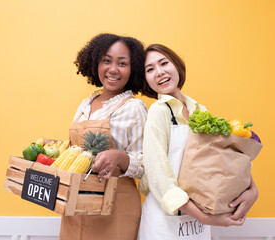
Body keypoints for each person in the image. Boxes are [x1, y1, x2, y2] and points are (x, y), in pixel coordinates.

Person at [137, 44, 258, 239]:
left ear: (176, 66)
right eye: (150, 69)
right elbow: (158, 177)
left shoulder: (199, 110)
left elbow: (223, 157)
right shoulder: (159, 112)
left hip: (198, 221)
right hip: (166, 221)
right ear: (145, 80)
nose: (159, 72)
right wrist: (204, 218)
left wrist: (253, 190)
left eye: (163, 63)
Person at [59, 33, 148, 240]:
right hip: (76, 204)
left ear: (132, 69)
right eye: (106, 61)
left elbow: (146, 164)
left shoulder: (134, 108)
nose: (113, 69)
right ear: (95, 63)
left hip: (116, 206)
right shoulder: (85, 104)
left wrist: (119, 157)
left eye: (122, 63)